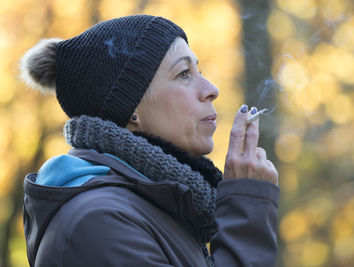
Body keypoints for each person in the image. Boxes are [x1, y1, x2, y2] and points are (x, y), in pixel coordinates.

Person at [20, 15, 279, 267]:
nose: (212, 89)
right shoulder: (100, 224)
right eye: (184, 74)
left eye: (200, 71)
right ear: (131, 108)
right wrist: (247, 207)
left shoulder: (157, 206)